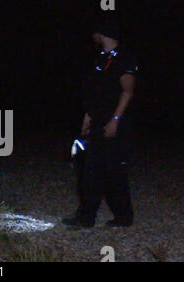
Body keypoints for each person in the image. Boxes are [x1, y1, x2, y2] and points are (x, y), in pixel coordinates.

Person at [63, 20, 138, 228]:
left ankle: (123, 217)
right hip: (97, 121)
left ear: (103, 33)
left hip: (116, 124)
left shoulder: (124, 58)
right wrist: (88, 116)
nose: (92, 35)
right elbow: (95, 91)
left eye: (95, 31)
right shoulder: (100, 58)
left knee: (114, 172)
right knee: (90, 170)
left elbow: (128, 91)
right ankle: (86, 217)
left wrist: (115, 120)